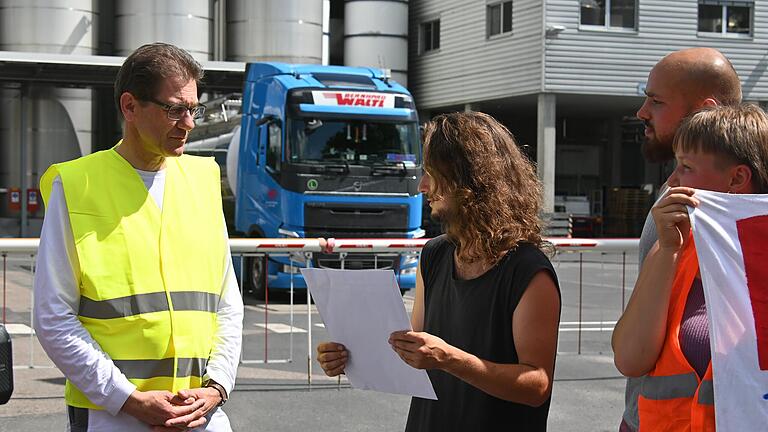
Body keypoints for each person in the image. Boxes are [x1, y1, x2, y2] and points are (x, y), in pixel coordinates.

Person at [33, 43, 244, 432]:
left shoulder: (201, 180)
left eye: (192, 109)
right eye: (174, 109)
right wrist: (125, 398)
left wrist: (217, 387)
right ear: (130, 106)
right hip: (112, 414)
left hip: (200, 412)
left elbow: (226, 301)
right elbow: (52, 316)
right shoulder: (78, 185)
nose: (188, 123)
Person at [317, 112, 561, 431]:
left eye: (431, 173)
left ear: (468, 179)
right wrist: (348, 356)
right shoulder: (434, 254)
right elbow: (411, 350)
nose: (422, 186)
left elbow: (537, 386)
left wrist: (449, 359)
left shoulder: (529, 272)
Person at [612, 103, 768, 430]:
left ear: (737, 178)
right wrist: (668, 249)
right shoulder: (675, 248)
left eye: (685, 167)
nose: (672, 180)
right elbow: (630, 358)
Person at [621, 47, 742, 432]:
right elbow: (633, 353)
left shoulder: (696, 205)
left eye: (656, 101)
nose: (642, 112)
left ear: (703, 110)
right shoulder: (674, 200)